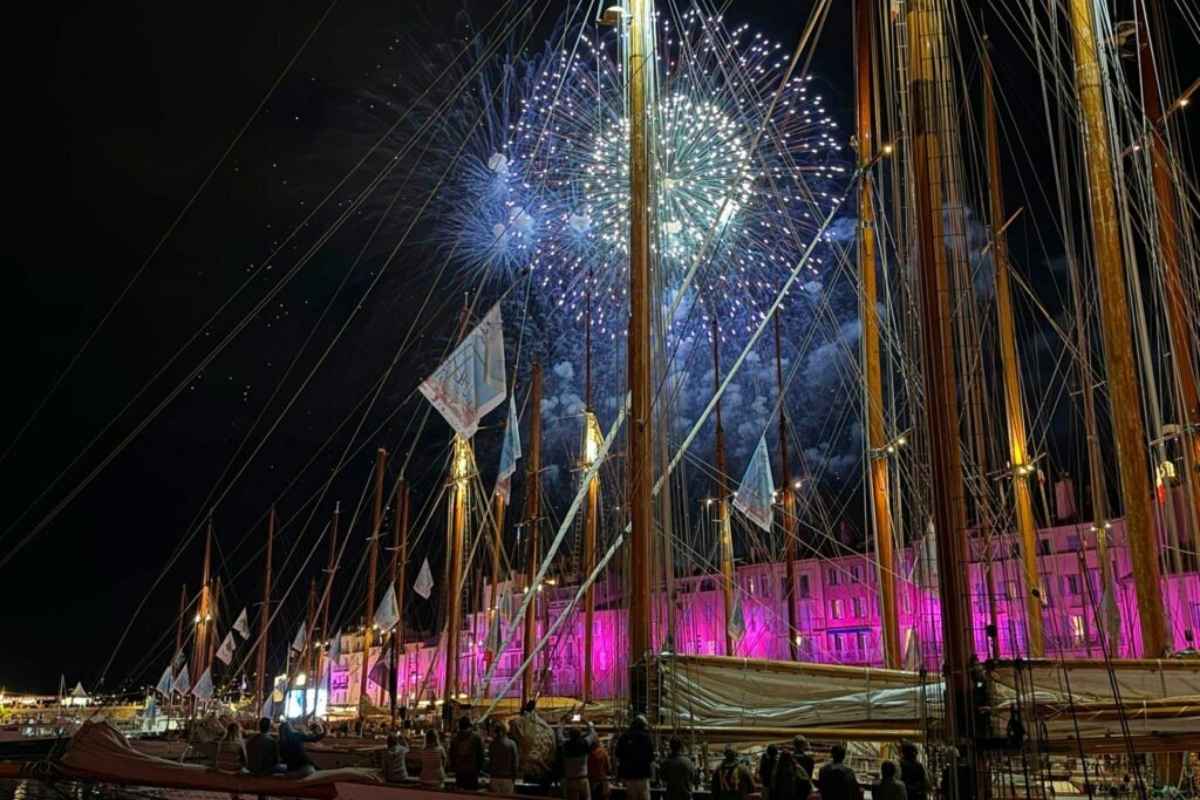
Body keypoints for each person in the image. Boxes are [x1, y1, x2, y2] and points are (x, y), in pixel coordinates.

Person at [615, 715, 655, 800]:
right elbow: (651, 757)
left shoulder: (624, 737)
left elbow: (618, 754)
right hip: (643, 776)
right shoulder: (646, 737)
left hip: (629, 776)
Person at [562, 724, 598, 800]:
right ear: (580, 734)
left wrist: (562, 724)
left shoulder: (565, 744)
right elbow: (593, 734)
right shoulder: (584, 743)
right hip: (582, 778)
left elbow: (559, 735)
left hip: (571, 779)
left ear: (569, 735)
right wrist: (588, 723)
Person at [450, 716, 486, 790]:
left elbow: (452, 755)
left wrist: (454, 767)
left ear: (459, 726)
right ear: (469, 726)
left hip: (459, 770)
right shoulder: (476, 738)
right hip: (472, 771)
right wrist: (479, 768)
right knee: (471, 794)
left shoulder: (455, 739)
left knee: (460, 793)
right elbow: (481, 755)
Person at [489, 721, 520, 794]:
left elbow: (490, 762)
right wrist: (514, 777)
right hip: (507, 779)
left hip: (494, 778)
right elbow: (515, 763)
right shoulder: (512, 744)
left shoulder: (492, 745)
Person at [587, 735, 612, 800]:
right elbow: (608, 767)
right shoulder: (603, 752)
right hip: (602, 779)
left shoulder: (588, 754)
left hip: (591, 780)